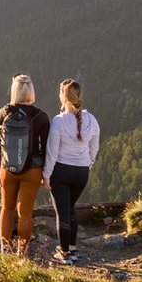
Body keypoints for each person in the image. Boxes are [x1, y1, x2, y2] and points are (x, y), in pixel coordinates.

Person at [0, 74, 51, 257]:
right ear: (31, 90)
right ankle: (22, 252)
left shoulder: (4, 112)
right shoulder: (41, 116)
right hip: (32, 171)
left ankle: (5, 249)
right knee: (25, 213)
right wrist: (45, 172)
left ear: (14, 91)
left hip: (7, 169)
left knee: (7, 208)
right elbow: (46, 148)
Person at [43, 78, 100, 264]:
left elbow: (52, 152)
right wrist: (88, 164)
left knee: (63, 212)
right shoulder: (91, 120)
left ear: (63, 97)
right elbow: (94, 148)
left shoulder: (59, 121)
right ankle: (73, 249)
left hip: (61, 172)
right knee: (71, 208)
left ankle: (64, 253)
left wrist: (46, 175)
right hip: (81, 173)